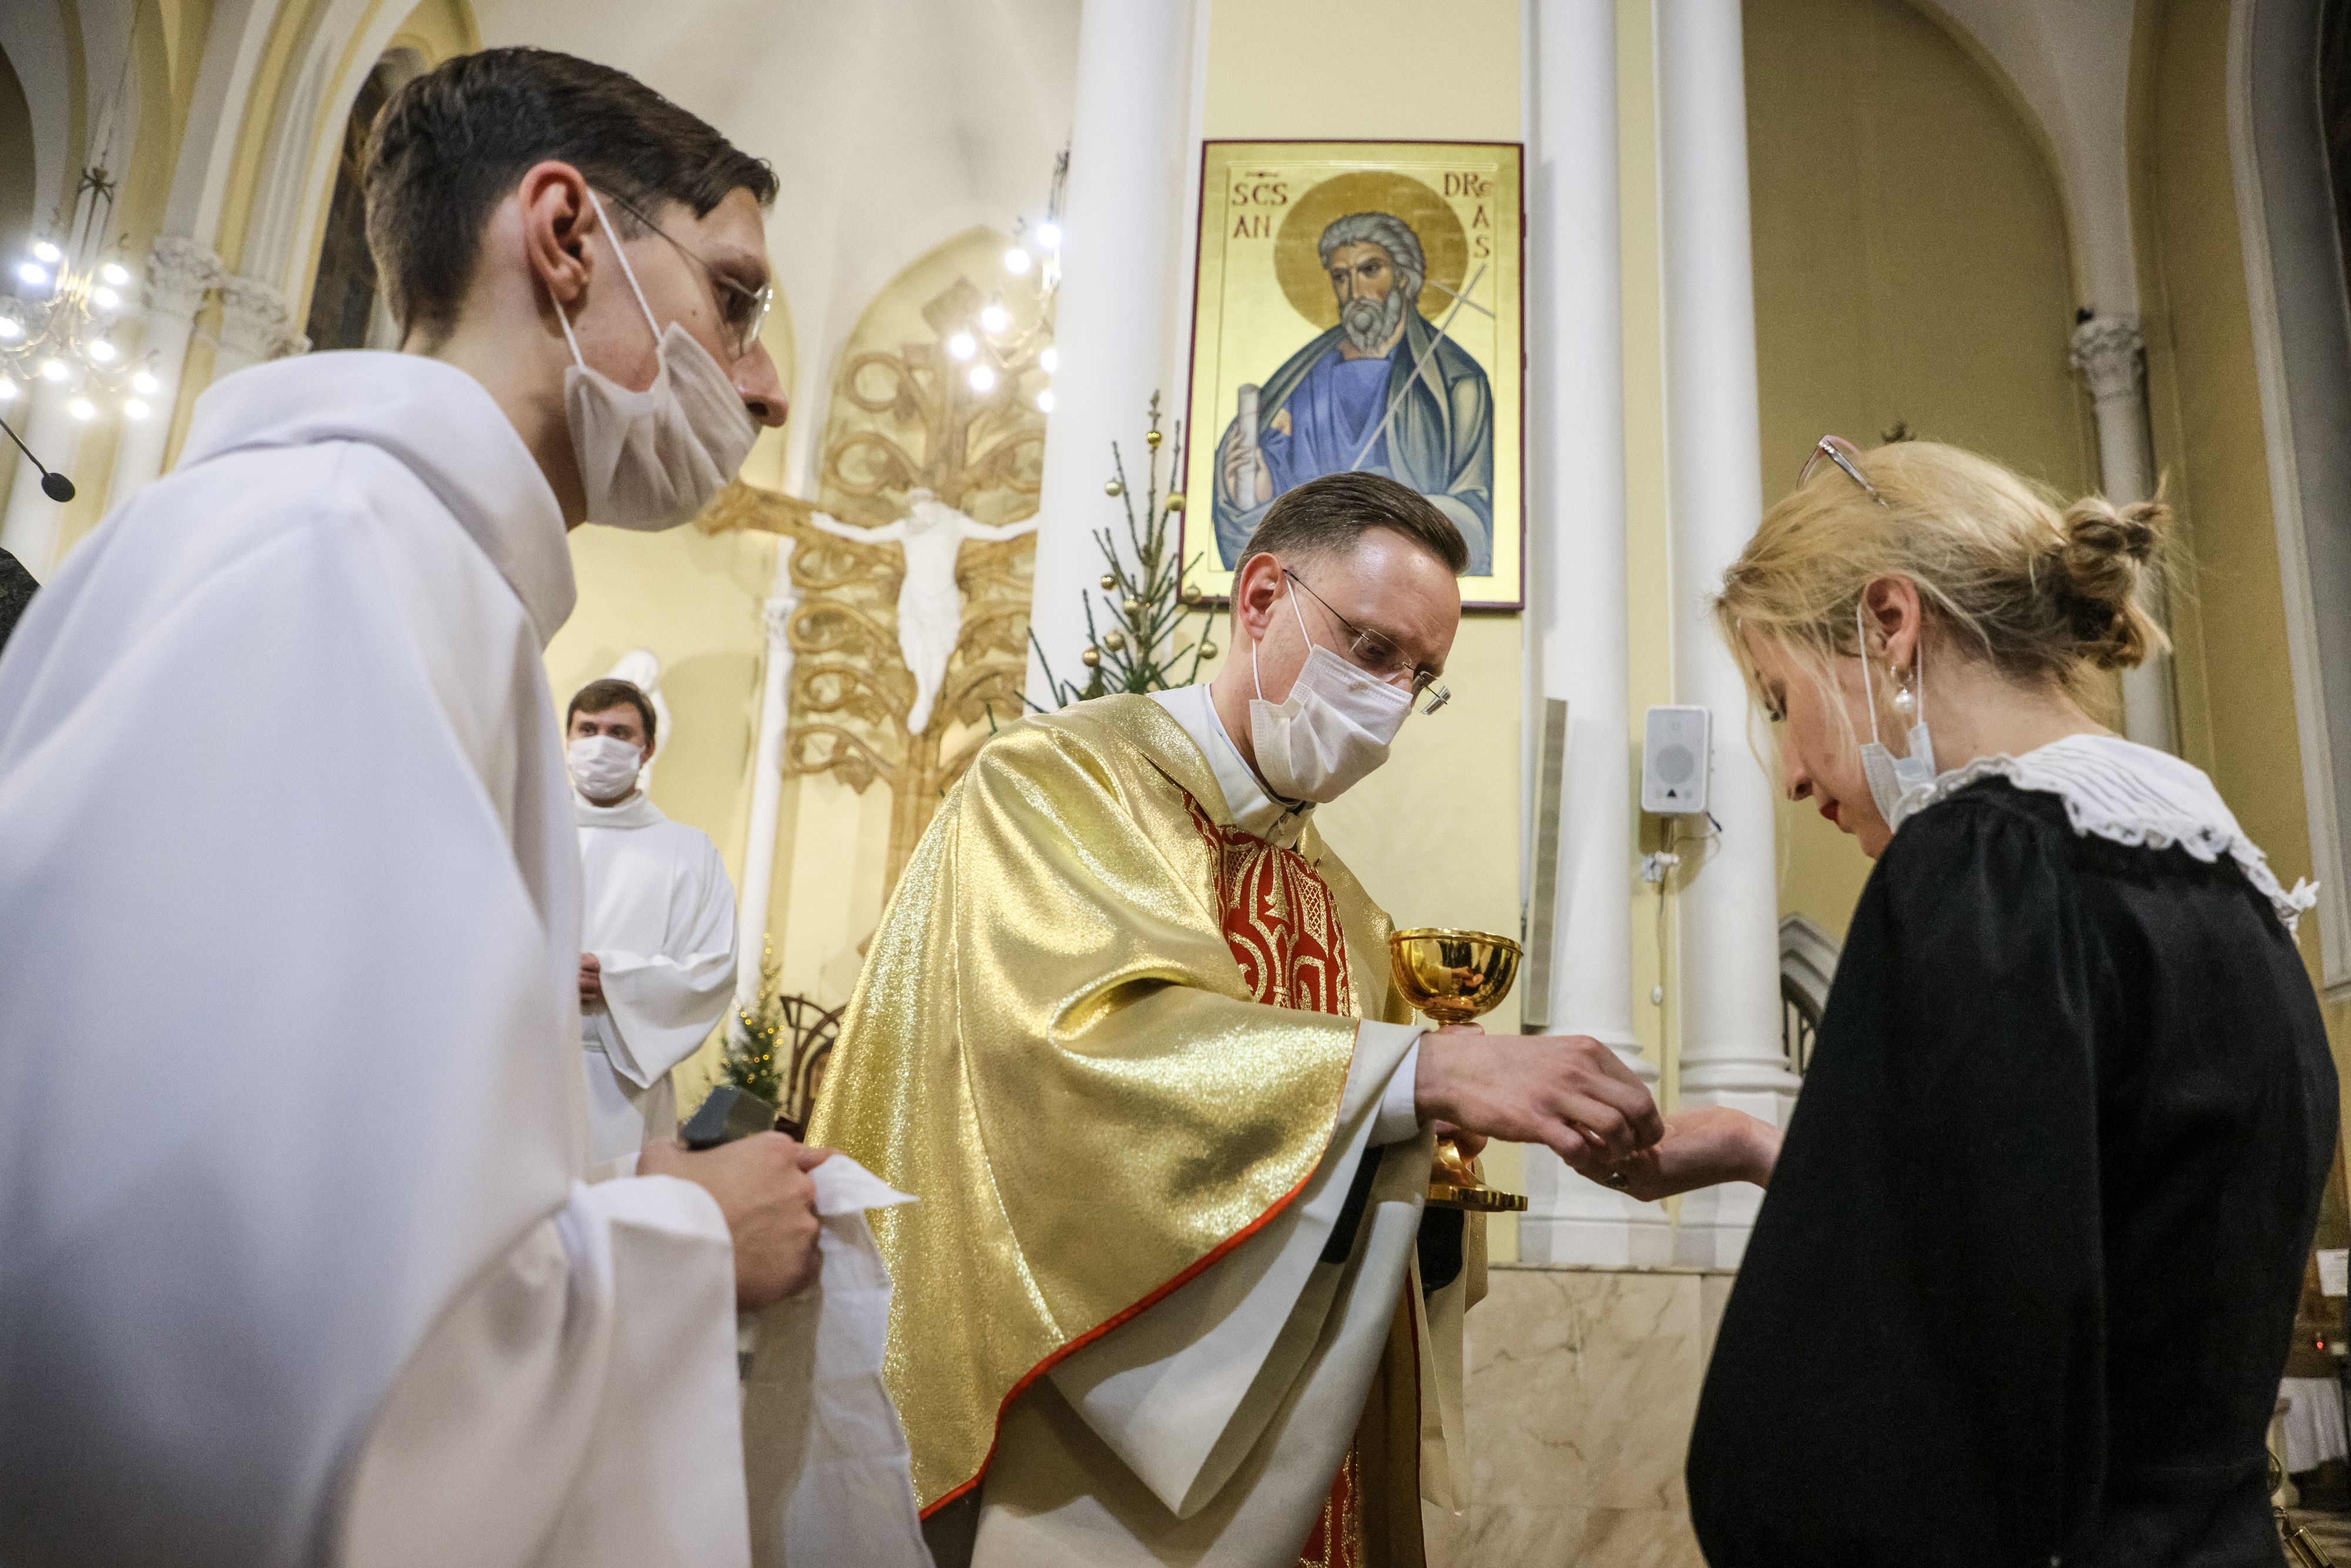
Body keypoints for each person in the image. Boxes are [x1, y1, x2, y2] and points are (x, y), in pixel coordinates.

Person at [0, 48, 830, 1568]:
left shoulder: (391, 558)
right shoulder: (334, 555)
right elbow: (199, 1329)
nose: (767, 385)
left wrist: (599, 1188)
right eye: (733, 296)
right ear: (565, 238)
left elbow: (338, 1170)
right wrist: (690, 1241)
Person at [812, 470, 1664, 1567]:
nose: (1391, 702)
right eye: (1370, 649)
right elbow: (1068, 1069)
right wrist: (1421, 1075)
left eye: (1421, 677)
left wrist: (1433, 1159)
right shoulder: (1054, 787)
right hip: (1069, 1443)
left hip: (1295, 1460)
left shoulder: (1344, 905)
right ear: (1261, 598)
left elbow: (1389, 1199)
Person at [1647, 438, 2337, 1564]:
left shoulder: (1982, 863)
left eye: (1780, 701)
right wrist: (1789, 1155)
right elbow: (2069, 1213)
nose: (1792, 771)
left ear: (1890, 624)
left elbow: (1895, 1415)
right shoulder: (2223, 876)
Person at [1211, 211, 1496, 574]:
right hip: (1310, 581)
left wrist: (1383, 518)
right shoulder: (1302, 380)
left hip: (1403, 579)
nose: (1356, 292)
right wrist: (1255, 496)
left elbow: (1475, 520)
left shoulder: (1457, 384)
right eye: (1341, 277)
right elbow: (1259, 516)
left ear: (1403, 277)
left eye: (1370, 270)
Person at [568, 676, 738, 1170]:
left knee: (617, 1206)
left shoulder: (689, 852)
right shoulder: (523, 833)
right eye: (588, 730)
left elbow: (714, 968)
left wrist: (613, 978)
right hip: (520, 1064)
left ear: (648, 750)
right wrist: (542, 971)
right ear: (569, 740)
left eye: (619, 733)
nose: (601, 745)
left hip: (625, 1079)